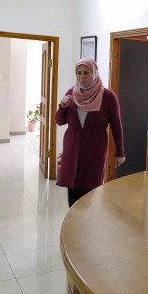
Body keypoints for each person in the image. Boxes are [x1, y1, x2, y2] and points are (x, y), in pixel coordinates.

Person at [56, 57, 126, 207]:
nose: (82, 77)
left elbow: (116, 125)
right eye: (79, 73)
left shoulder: (108, 96)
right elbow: (60, 121)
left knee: (89, 194)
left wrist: (120, 152)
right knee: (73, 193)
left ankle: (86, 227)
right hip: (72, 148)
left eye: (86, 72)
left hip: (94, 150)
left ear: (94, 73)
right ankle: (73, 227)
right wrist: (62, 106)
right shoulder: (71, 93)